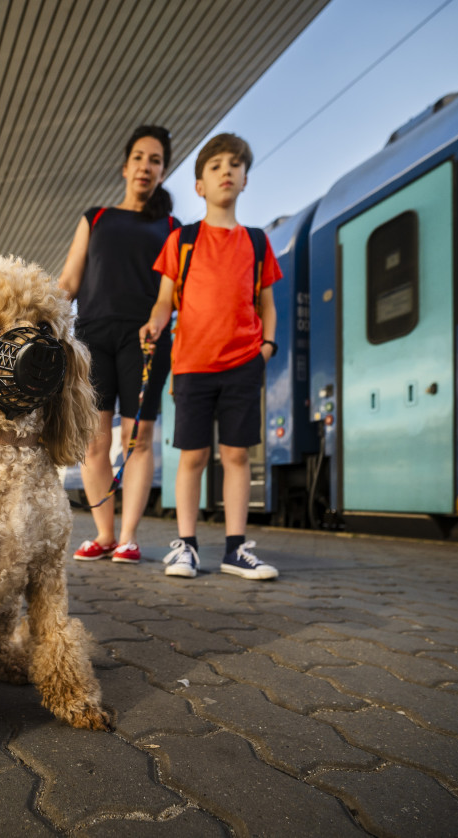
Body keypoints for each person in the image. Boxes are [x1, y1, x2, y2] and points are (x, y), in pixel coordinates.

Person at [140, 133, 281, 581]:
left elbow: (267, 305)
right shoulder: (182, 241)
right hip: (192, 366)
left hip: (243, 363)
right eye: (216, 165)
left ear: (244, 181)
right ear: (200, 185)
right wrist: (155, 322)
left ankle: (236, 550)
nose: (226, 171)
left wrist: (266, 347)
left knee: (236, 456)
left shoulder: (258, 243)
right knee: (193, 457)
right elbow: (166, 300)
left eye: (235, 166)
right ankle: (187, 546)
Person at [58, 125, 177, 564]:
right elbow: (69, 281)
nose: (146, 166)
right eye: (140, 158)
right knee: (93, 441)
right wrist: (35, 315)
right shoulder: (97, 218)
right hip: (93, 335)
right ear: (125, 166)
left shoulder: (171, 227)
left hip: (145, 338)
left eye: (156, 160)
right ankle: (104, 534)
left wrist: (158, 323)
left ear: (163, 172)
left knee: (137, 438)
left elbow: (172, 292)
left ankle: (128, 537)